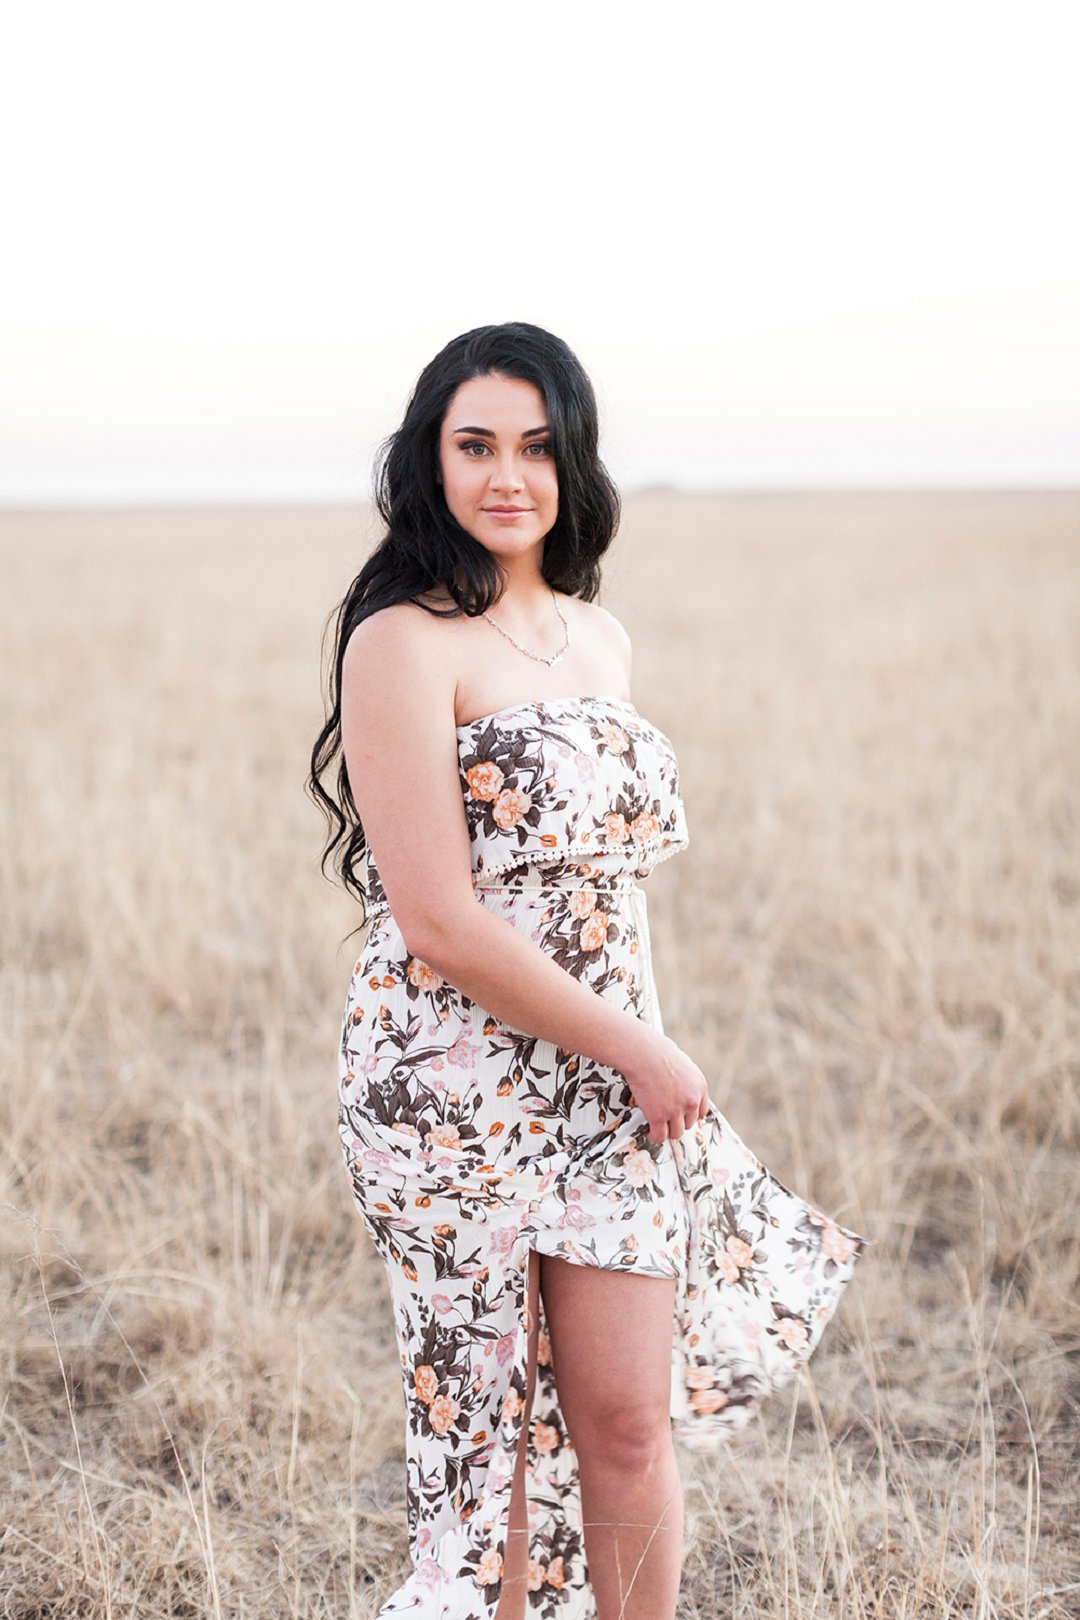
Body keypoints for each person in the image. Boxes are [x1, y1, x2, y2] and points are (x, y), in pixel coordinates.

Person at [309, 322, 868, 1620]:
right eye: (476, 446)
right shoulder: (402, 641)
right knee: (489, 1454)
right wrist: (643, 1049)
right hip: (451, 1093)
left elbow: (615, 904)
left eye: (539, 446)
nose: (509, 475)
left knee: (625, 1428)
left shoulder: (597, 639)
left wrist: (639, 1051)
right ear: (428, 462)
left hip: (607, 1087)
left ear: (576, 464)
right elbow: (438, 919)